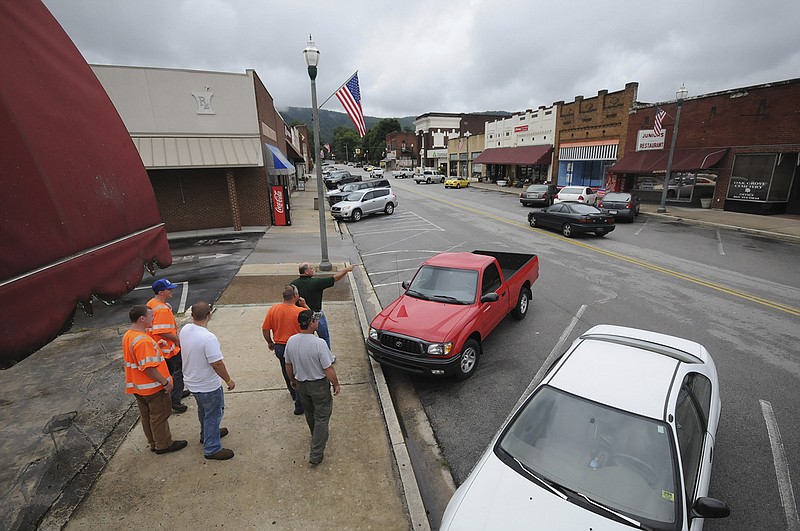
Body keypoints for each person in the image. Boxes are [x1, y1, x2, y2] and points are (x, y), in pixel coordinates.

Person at [123, 305, 187, 454]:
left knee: (147, 417)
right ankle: (163, 444)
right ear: (142, 319)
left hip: (139, 388)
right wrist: (165, 382)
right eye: (151, 316)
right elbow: (148, 368)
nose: (154, 319)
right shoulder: (143, 341)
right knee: (160, 416)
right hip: (153, 388)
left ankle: (153, 442)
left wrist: (157, 346)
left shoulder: (129, 335)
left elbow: (139, 358)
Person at [180, 301, 235, 460]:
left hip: (192, 382)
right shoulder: (208, 338)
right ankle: (212, 447)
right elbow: (217, 364)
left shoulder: (186, 330)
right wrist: (228, 380)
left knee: (204, 411)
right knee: (213, 414)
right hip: (207, 385)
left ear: (192, 315)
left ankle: (207, 434)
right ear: (209, 315)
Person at [284, 310, 340, 466]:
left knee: (310, 412)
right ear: (311, 323)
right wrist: (335, 383)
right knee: (322, 416)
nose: (318, 323)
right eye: (316, 320)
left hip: (302, 385)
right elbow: (328, 368)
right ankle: (316, 453)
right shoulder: (319, 343)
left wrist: (292, 380)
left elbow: (288, 365)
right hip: (318, 386)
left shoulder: (291, 341)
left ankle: (315, 434)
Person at [261, 285, 309, 415]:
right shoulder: (300, 311)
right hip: (296, 346)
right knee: (298, 372)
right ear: (295, 296)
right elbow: (314, 321)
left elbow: (265, 329)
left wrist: (270, 342)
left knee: (286, 369)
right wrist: (305, 305)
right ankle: (300, 404)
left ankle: (293, 392)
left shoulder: (273, 310)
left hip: (280, 346)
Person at [291, 262, 355, 350]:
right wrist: (346, 270)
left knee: (307, 338)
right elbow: (334, 278)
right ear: (306, 272)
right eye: (311, 268)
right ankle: (326, 356)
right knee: (324, 337)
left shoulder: (293, 284)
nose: (314, 269)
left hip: (302, 315)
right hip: (316, 314)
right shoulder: (316, 282)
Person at [147, 278, 188, 413]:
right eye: (169, 289)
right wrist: (178, 340)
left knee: (170, 371)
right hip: (168, 348)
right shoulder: (162, 309)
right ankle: (175, 399)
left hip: (160, 348)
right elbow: (162, 331)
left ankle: (176, 391)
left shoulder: (152, 304)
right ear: (161, 292)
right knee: (179, 371)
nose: (172, 291)